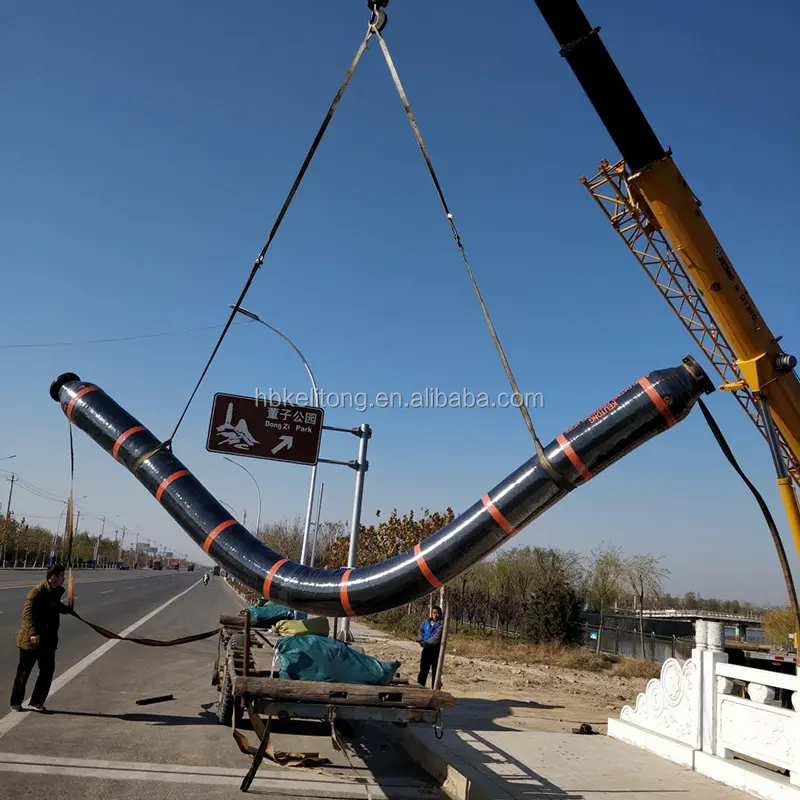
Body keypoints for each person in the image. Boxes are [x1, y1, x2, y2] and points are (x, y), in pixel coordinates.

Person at [9, 564, 72, 712]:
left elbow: (55, 606)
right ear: (53, 577)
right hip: (31, 640)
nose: (64, 579)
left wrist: (68, 609)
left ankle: (37, 701)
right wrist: (32, 633)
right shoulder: (36, 592)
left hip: (48, 640)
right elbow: (27, 616)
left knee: (47, 671)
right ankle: (15, 702)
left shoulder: (55, 592)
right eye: (62, 576)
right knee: (24, 672)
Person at [416, 605, 443, 688]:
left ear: (440, 614)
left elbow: (436, 638)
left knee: (436, 672)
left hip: (436, 651)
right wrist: (420, 639)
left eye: (437, 613)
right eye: (434, 613)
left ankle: (435, 690)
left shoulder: (441, 625)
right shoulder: (426, 622)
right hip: (426, 650)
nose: (435, 615)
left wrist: (425, 643)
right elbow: (421, 631)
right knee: (423, 670)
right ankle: (420, 688)